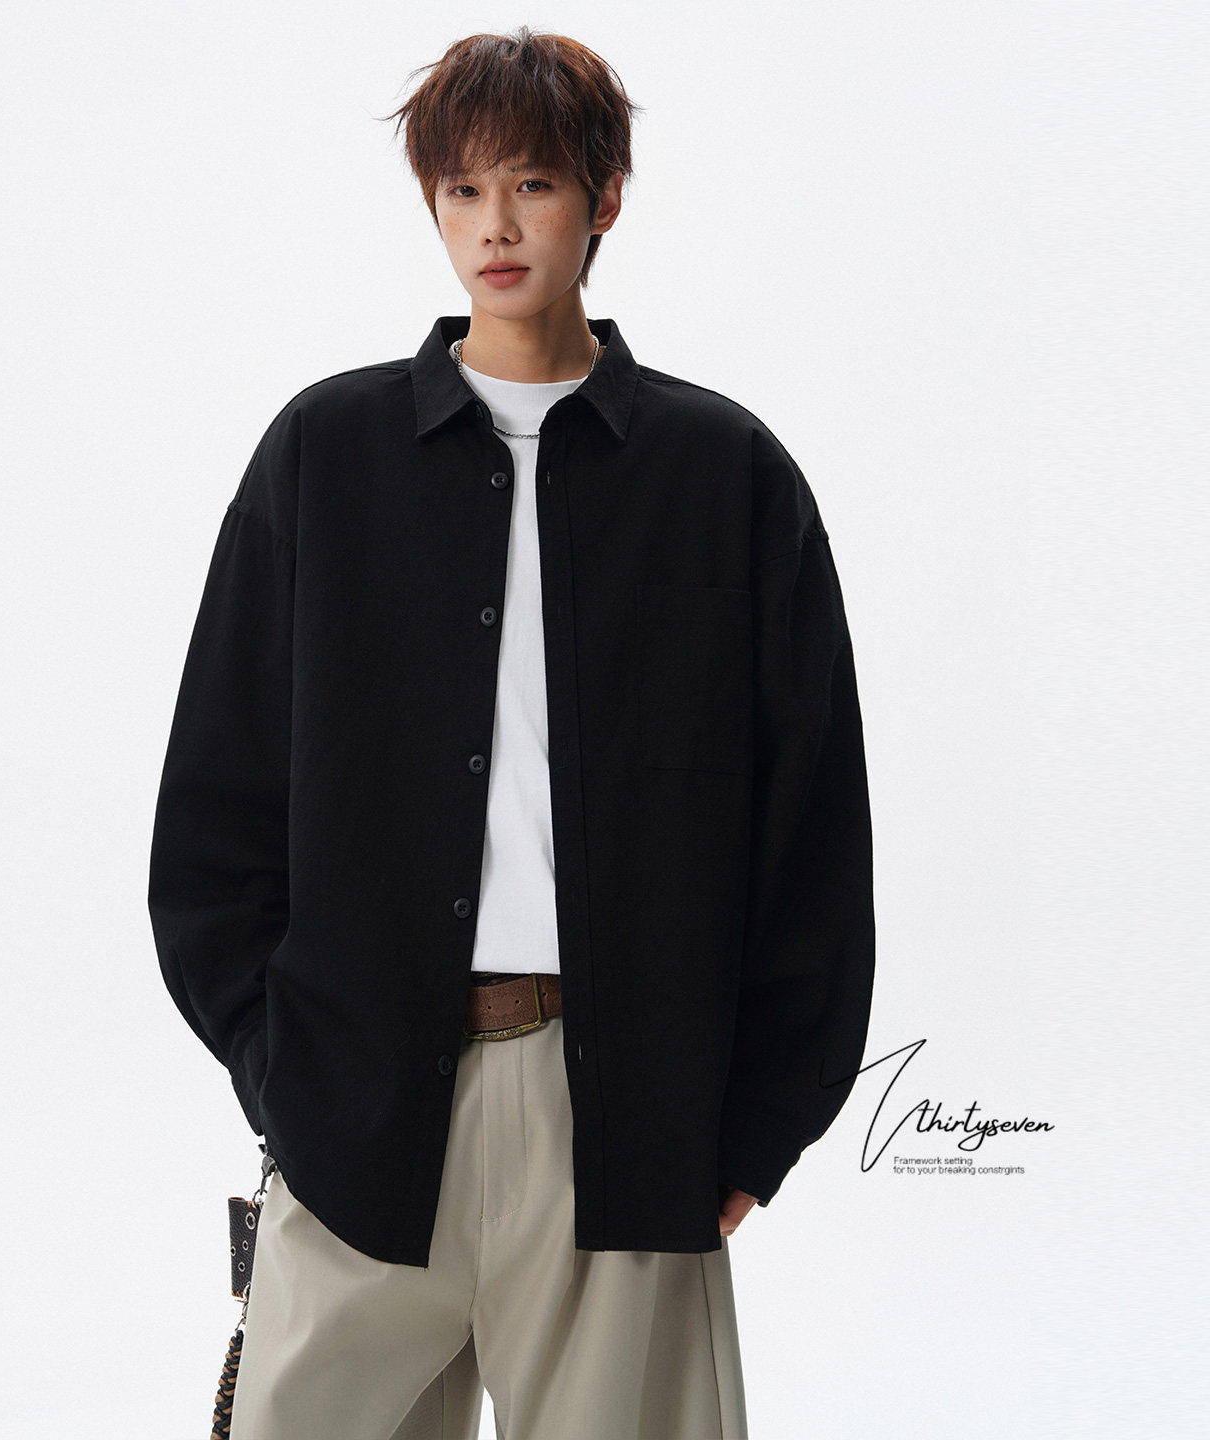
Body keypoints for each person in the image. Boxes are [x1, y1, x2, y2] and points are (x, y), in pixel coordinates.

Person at [148, 25, 875, 1440]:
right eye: (463, 190)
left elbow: (813, 834)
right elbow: (215, 811)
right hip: (356, 1111)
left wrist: (755, 1127)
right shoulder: (323, 459)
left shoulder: (726, 476)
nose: (495, 226)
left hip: (627, 1119)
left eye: (533, 184)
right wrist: (286, 1074)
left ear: (605, 198)